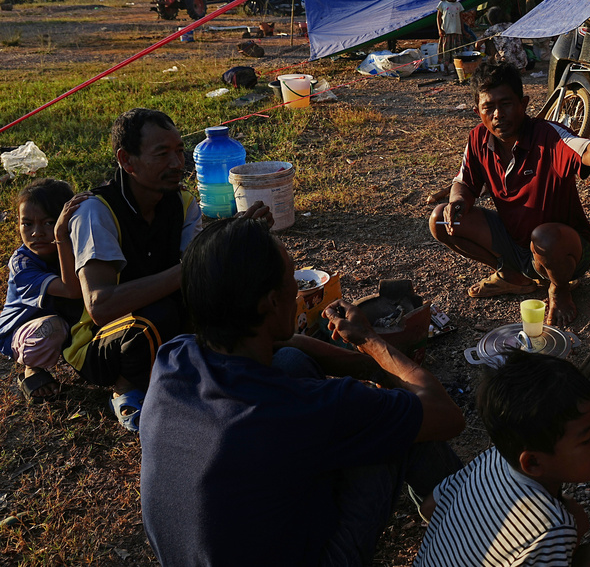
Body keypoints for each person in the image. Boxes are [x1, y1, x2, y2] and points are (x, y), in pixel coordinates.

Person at [140, 218, 465, 567]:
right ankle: (467, 523)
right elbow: (445, 415)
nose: (296, 292)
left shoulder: (174, 358)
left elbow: (286, 341)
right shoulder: (301, 409)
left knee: (292, 360)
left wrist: (366, 367)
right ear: (269, 303)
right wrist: (372, 344)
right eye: (291, 283)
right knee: (397, 425)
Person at [63, 108, 270, 432]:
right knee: (155, 319)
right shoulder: (96, 211)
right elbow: (101, 306)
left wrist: (235, 235)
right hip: (102, 342)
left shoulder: (182, 202)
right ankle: (126, 387)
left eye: (179, 152)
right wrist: (186, 269)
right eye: (162, 154)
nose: (177, 164)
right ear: (127, 161)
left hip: (164, 316)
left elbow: (200, 275)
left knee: (220, 299)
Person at [429, 62, 590, 326]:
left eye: (506, 104)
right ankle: (512, 275)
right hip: (515, 241)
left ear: (524, 103)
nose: (498, 114)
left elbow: (588, 151)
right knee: (440, 219)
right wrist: (457, 203)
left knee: (544, 237)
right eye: (488, 107)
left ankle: (559, 288)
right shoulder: (478, 139)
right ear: (478, 111)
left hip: (564, 247)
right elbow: (463, 183)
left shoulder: (548, 135)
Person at [414, 351, 590, 567]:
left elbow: (430, 506)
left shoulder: (493, 458)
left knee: (576, 517)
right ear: (533, 463)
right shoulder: (553, 527)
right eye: (585, 439)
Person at [0, 179, 88, 403]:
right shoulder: (23, 266)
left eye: (48, 222)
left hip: (67, 317)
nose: (36, 233)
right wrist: (59, 235)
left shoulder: (79, 245)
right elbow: (72, 290)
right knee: (50, 330)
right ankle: (32, 367)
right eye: (27, 224)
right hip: (28, 329)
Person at [482, 6, 528, 71]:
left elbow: (478, 44)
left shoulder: (491, 30)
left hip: (507, 64)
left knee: (489, 41)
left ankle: (496, 64)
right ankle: (520, 68)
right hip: (523, 62)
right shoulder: (512, 25)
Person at [436, 0, 465, 75]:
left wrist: (463, 30)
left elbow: (461, 18)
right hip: (446, 32)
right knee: (446, 51)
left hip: (457, 32)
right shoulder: (442, 4)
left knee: (457, 51)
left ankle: (456, 68)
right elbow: (438, 18)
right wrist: (440, 29)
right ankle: (445, 68)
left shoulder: (458, 5)